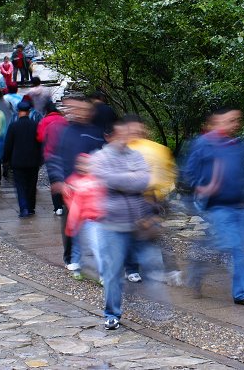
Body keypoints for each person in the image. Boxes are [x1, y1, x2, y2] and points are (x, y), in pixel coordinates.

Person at [183, 107, 244, 307]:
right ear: (217, 121)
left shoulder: (240, 144)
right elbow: (188, 173)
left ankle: (242, 293)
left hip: (241, 205)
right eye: (230, 120)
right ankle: (198, 265)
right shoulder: (203, 144)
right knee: (228, 245)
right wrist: (202, 187)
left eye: (237, 120)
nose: (235, 124)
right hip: (218, 206)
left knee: (242, 250)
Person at [91, 116, 169, 330]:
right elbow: (106, 179)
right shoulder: (99, 157)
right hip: (112, 224)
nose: (126, 137)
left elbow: (144, 180)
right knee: (113, 272)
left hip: (138, 222)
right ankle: (112, 313)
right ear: (110, 136)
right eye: (121, 133)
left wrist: (123, 180)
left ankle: (154, 307)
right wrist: (130, 179)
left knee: (152, 266)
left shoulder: (136, 155)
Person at [46, 96, 105, 268]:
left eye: (82, 109)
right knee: (71, 220)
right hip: (69, 186)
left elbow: (102, 156)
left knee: (93, 222)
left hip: (92, 187)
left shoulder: (96, 132)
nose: (78, 113)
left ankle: (97, 256)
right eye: (74, 109)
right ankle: (71, 257)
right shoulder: (63, 131)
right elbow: (53, 156)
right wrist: (58, 180)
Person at [125, 116, 178, 284]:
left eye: (139, 128)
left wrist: (163, 193)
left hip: (152, 199)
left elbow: (168, 172)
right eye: (132, 128)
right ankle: (132, 268)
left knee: (154, 233)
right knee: (132, 235)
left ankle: (167, 269)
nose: (136, 132)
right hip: (130, 199)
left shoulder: (157, 149)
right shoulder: (122, 149)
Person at [63, 153, 105, 281]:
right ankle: (77, 267)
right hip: (79, 220)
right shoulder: (72, 181)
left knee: (96, 246)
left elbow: (102, 198)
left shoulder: (96, 180)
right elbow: (71, 202)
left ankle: (101, 273)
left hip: (94, 220)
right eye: (81, 163)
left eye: (87, 164)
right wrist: (73, 221)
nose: (83, 166)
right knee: (78, 245)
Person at [3, 101, 42, 217]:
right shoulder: (35, 125)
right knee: (31, 185)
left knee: (20, 185)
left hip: (18, 161)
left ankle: (24, 207)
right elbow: (40, 143)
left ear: (18, 112)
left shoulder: (13, 126)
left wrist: (5, 159)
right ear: (29, 112)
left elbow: (8, 145)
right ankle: (31, 207)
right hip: (33, 161)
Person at [37, 102, 68, 215]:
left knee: (54, 180)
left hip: (51, 155)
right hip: (64, 154)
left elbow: (40, 137)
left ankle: (57, 207)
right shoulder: (63, 120)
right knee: (64, 178)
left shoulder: (44, 121)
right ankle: (65, 201)